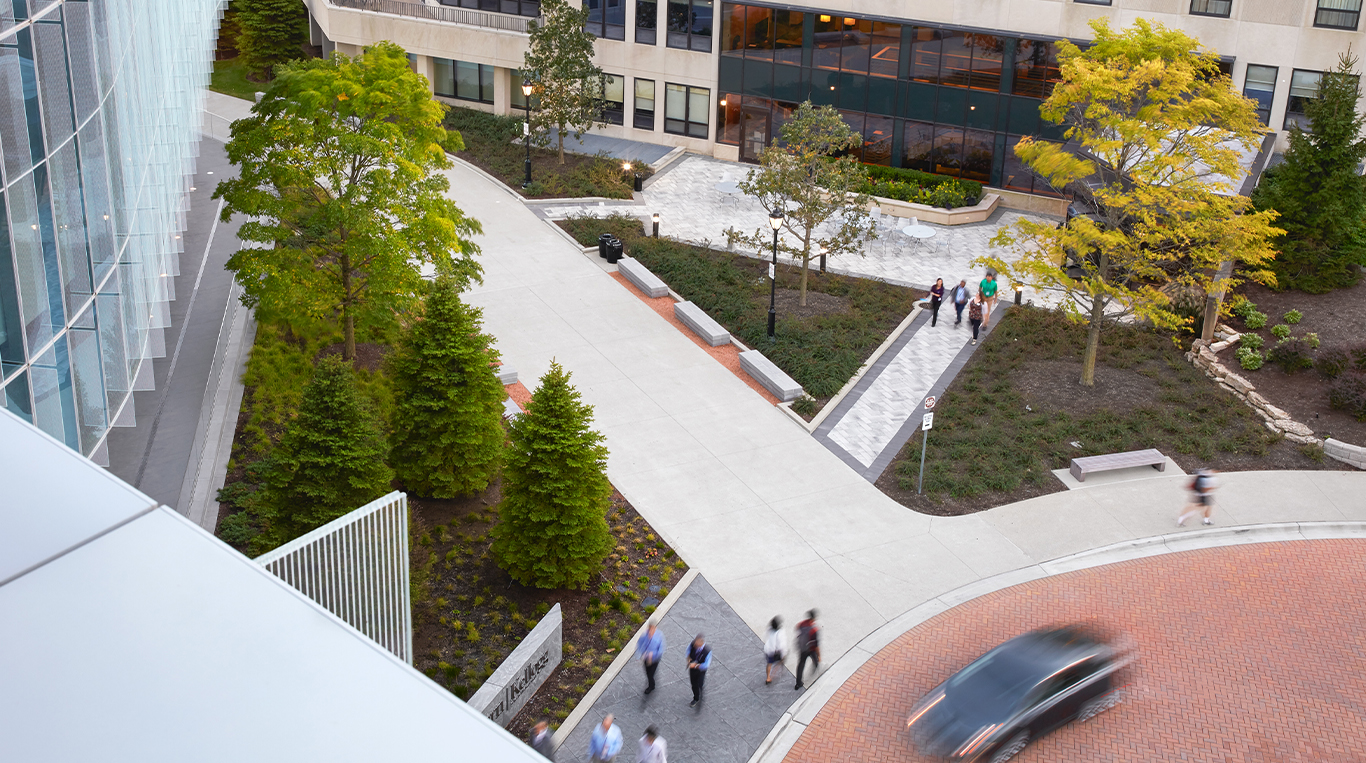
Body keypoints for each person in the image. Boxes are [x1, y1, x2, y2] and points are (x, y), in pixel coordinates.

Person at [635, 620, 666, 695]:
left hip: (655, 659)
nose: (650, 631)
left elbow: (661, 649)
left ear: (655, 628)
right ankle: (651, 681)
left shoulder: (659, 636)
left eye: (652, 629)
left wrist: (653, 654)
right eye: (650, 629)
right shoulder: (644, 635)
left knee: (650, 674)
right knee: (647, 672)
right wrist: (639, 655)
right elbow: (639, 644)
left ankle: (651, 686)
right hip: (646, 658)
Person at [794, 610, 821, 691]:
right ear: (814, 618)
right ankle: (814, 673)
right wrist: (819, 655)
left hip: (802, 648)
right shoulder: (814, 630)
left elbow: (797, 629)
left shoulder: (802, 624)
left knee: (801, 664)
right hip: (810, 649)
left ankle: (798, 683)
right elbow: (816, 645)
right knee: (816, 661)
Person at [686, 633, 712, 707]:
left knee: (700, 683)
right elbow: (688, 650)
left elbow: (706, 665)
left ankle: (700, 694)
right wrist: (688, 658)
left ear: (701, 642)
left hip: (700, 670)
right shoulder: (692, 644)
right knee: (693, 684)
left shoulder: (707, 651)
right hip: (692, 669)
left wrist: (696, 665)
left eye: (697, 643)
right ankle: (696, 697)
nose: (695, 644)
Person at [763, 616, 787, 684]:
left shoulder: (769, 629)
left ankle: (768, 678)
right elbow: (781, 645)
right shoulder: (780, 633)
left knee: (769, 663)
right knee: (780, 661)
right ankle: (776, 671)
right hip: (775, 651)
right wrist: (783, 654)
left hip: (768, 650)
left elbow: (765, 636)